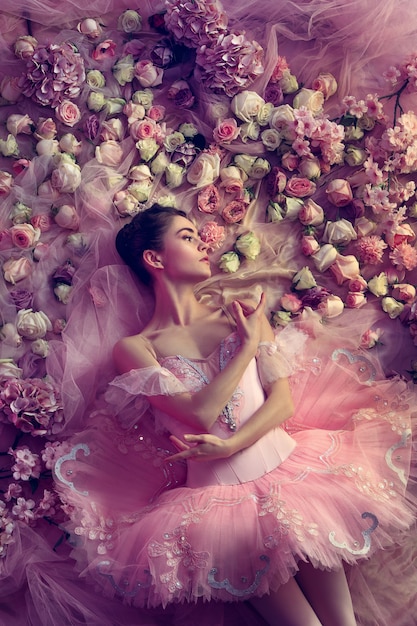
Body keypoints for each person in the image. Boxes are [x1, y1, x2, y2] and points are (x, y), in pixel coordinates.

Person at [54, 204, 416, 626]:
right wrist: (244, 349)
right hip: (220, 511)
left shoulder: (239, 313)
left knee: (343, 622)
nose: (203, 244)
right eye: (186, 237)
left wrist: (232, 443)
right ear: (154, 259)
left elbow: (283, 402)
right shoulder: (136, 348)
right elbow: (200, 414)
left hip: (297, 479)